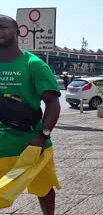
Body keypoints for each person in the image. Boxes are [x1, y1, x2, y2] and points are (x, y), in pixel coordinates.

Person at [0, 15, 61, 214]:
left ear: (18, 33)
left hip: (31, 145)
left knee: (44, 189)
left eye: (3, 27)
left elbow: (52, 103)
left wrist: (42, 136)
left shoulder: (33, 64)